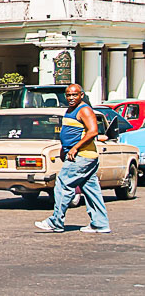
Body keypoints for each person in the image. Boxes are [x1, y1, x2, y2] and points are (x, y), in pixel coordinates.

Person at [37, 83, 110, 233]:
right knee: (91, 190)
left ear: (81, 95)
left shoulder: (84, 110)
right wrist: (64, 149)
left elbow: (93, 132)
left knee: (63, 186)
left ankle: (56, 222)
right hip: (81, 155)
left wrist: (75, 148)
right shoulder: (70, 110)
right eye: (68, 95)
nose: (71, 98)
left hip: (82, 156)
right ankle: (100, 223)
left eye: (74, 95)